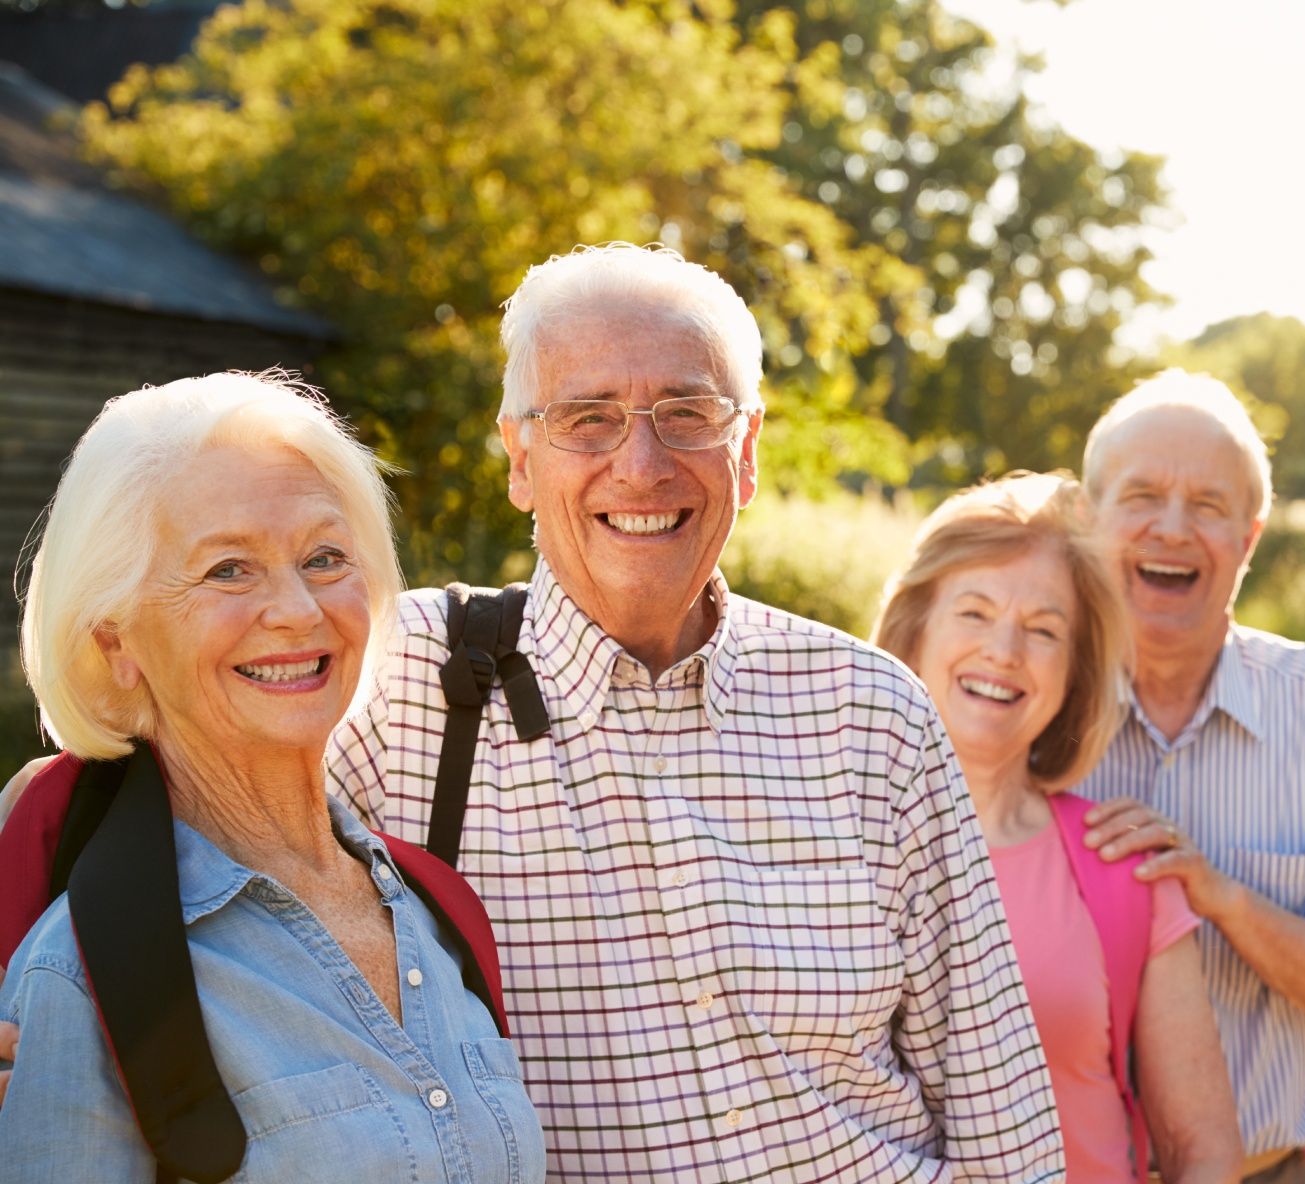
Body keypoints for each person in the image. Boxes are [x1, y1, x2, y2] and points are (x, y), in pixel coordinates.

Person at [325, 243, 1062, 1181]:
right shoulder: (394, 685)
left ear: (745, 454)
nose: (641, 464)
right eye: (588, 419)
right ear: (519, 459)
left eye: (687, 414)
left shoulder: (871, 716)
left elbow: (1004, 1121)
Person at [0, 372, 546, 1181]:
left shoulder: (439, 913)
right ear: (116, 642)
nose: (296, 609)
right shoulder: (81, 975)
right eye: (228, 570)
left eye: (325, 557)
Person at [1069, 371, 1305, 1183]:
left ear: (1249, 534)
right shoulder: (1017, 703)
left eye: (1208, 504)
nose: (1173, 528)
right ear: (1087, 517)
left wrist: (1224, 896)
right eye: (1142, 496)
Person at [873, 472, 1242, 1184]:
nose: (1004, 651)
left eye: (1044, 630)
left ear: (1074, 672)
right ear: (913, 631)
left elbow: (1203, 1146)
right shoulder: (809, 840)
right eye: (974, 613)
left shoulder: (1122, 865)